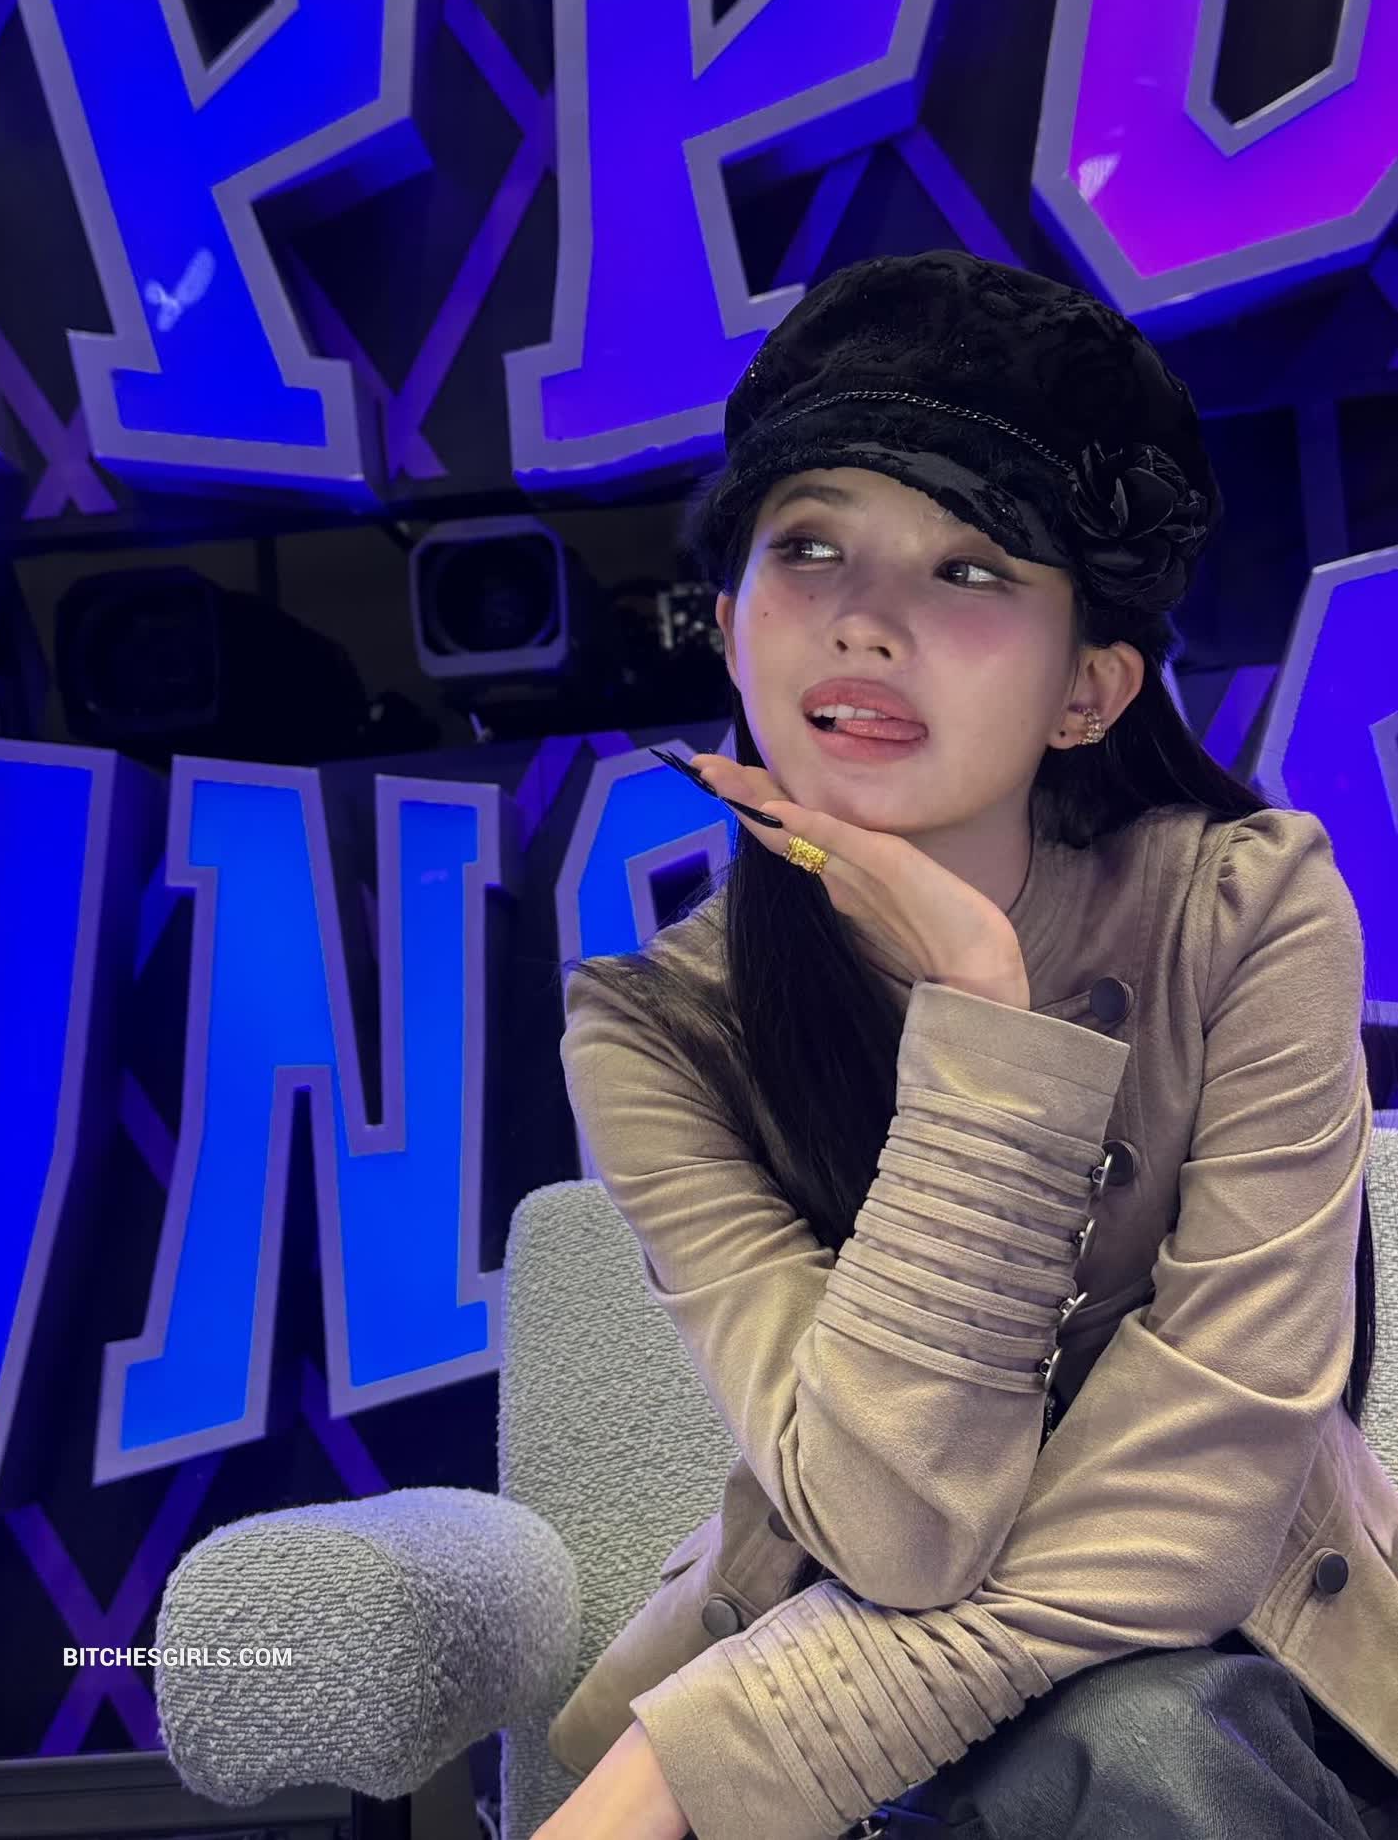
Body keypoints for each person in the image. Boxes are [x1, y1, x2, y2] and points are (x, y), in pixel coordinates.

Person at [540, 252, 1398, 1840]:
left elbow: (1198, 1498)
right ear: (727, 624)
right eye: (808, 548)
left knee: (1140, 1739)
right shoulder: (657, 1030)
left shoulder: (1246, 911)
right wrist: (979, 1039)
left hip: (1229, 1690)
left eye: (967, 567)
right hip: (840, 1661)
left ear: (1089, 690)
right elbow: (894, 1526)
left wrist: (707, 1753)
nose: (863, 624)